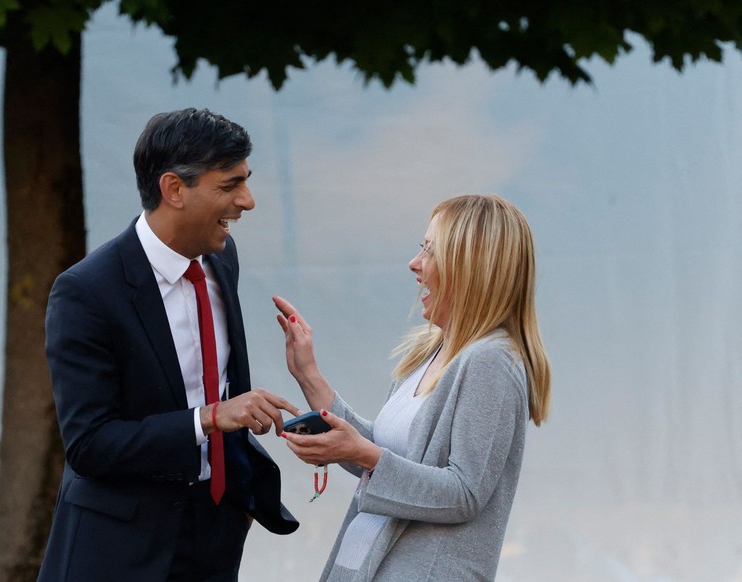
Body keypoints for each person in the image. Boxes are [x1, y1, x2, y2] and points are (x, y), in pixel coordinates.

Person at [37, 108, 300, 582]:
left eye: (247, 181)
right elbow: (90, 444)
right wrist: (211, 418)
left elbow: (217, 380)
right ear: (174, 189)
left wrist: (234, 503)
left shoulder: (222, 257)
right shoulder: (86, 292)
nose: (248, 201)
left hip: (215, 534)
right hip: (120, 552)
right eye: (229, 185)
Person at [273, 194, 551, 581]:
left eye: (430, 251)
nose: (414, 263)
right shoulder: (432, 351)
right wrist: (308, 374)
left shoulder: (491, 361)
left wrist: (366, 456)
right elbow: (391, 460)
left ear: (471, 266)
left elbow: (464, 493)